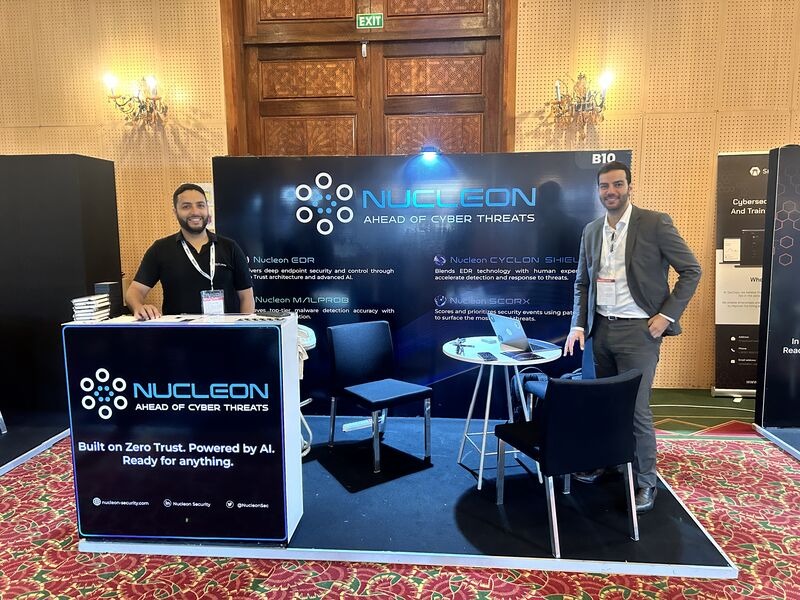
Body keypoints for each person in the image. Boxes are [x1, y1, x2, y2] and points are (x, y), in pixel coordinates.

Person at [563, 161, 701, 513]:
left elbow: (691, 270)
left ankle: (645, 482)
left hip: (639, 332)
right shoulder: (592, 230)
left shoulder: (655, 223)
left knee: (636, 409)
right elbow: (582, 283)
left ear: (629, 186)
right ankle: (607, 462)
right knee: (605, 404)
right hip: (600, 331)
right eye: (604, 186)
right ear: (598, 191)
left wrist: (666, 316)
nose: (611, 191)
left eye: (618, 184)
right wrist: (578, 324)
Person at [126, 183, 255, 320]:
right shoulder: (160, 249)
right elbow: (134, 291)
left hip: (225, 331)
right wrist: (138, 306)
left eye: (200, 205)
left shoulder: (230, 247)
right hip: (179, 332)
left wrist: (245, 328)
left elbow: (246, 297)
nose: (195, 212)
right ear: (175, 212)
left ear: (207, 209)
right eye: (186, 206)